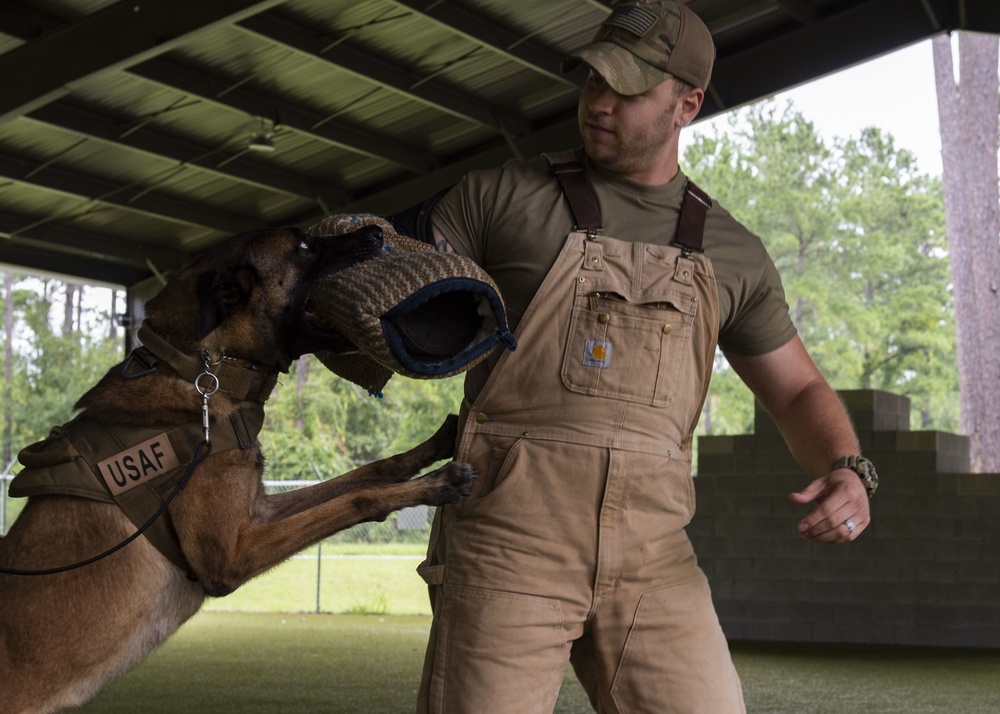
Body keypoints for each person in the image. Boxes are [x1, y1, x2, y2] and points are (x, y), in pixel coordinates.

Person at [399, 1, 877, 712]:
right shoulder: (497, 200)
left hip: (657, 560)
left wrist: (849, 469)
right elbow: (379, 286)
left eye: (627, 89)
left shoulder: (733, 253)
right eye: (593, 81)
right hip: (509, 545)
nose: (598, 103)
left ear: (686, 105)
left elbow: (798, 390)